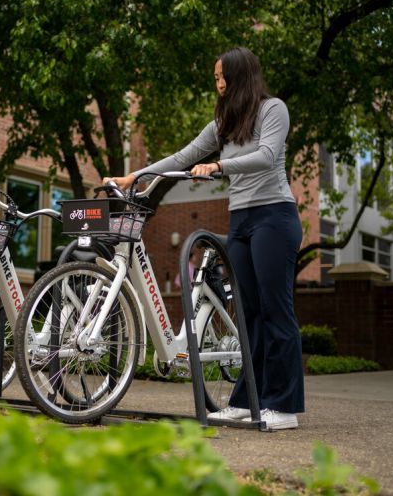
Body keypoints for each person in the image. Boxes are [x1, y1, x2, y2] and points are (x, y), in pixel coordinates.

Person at [105, 47, 304, 431]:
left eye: (221, 76)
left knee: (276, 312)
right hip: (242, 219)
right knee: (248, 316)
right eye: (215, 78)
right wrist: (139, 175)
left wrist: (218, 165)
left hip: (274, 216)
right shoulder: (223, 124)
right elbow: (183, 156)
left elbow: (266, 156)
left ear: (239, 75)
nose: (218, 84)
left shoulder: (273, 109)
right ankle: (247, 401)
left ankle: (284, 406)